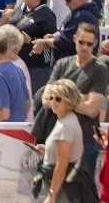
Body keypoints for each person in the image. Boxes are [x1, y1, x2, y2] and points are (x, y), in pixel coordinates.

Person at [37, 21, 107, 182]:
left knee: (81, 192)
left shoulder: (99, 69)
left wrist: (60, 97)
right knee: (55, 186)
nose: (85, 47)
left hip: (86, 139)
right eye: (81, 42)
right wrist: (79, 97)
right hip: (59, 135)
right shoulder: (63, 64)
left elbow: (91, 110)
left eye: (89, 44)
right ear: (75, 39)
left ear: (95, 44)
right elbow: (46, 99)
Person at [37, 79, 95, 203]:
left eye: (58, 99)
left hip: (64, 190)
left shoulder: (66, 126)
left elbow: (62, 164)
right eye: (51, 97)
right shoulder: (64, 120)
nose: (53, 102)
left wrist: (52, 195)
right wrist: (48, 151)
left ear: (69, 101)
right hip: (63, 187)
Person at [12, 0, 57, 91]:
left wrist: (31, 40)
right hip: (17, 62)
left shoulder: (46, 15)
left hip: (37, 66)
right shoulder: (20, 10)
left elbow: (51, 40)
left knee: (35, 100)